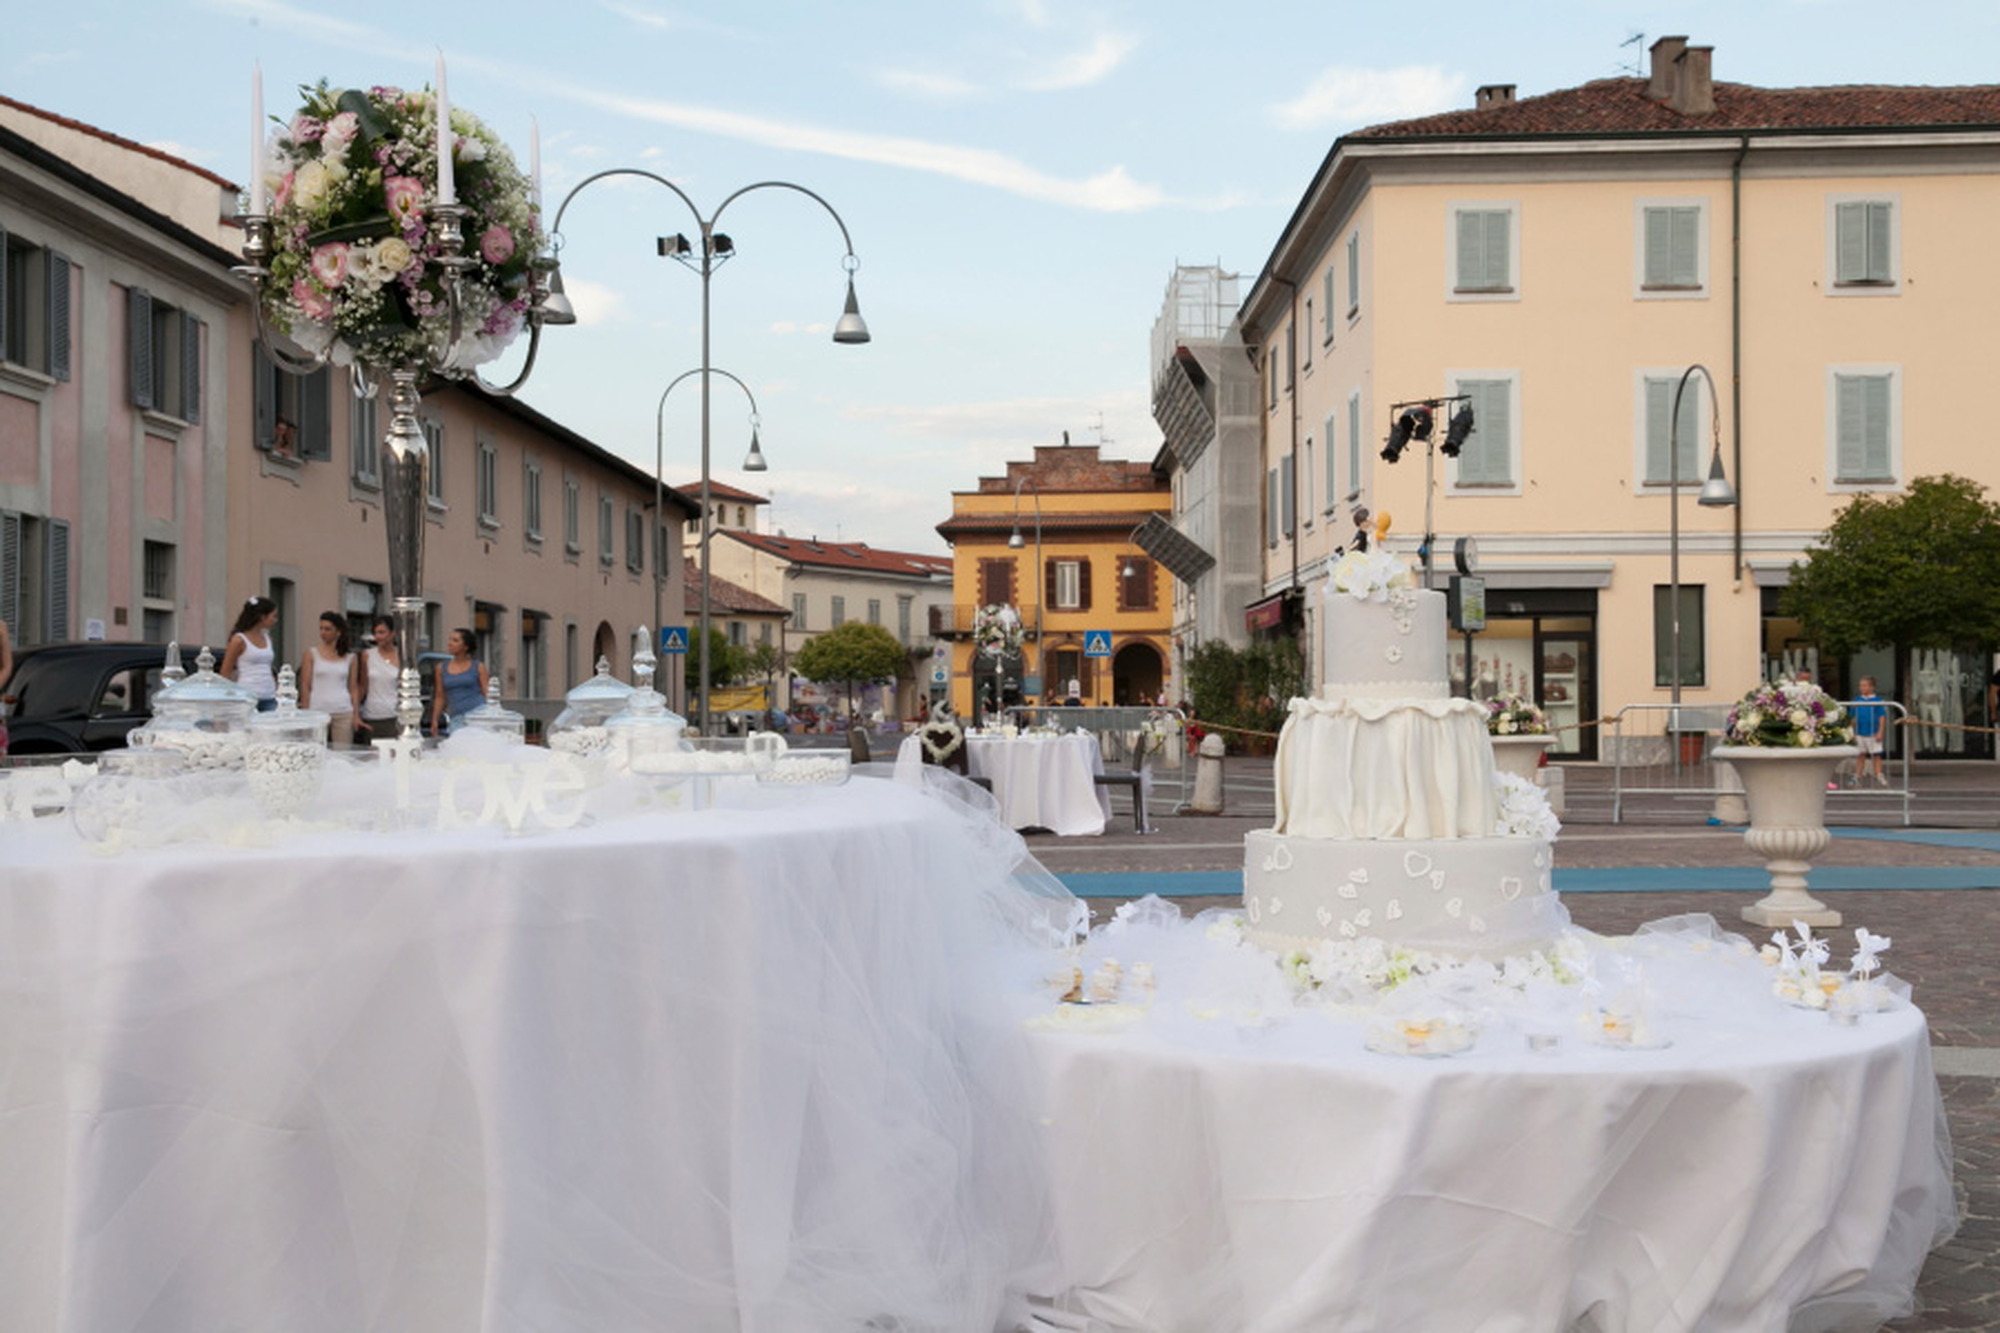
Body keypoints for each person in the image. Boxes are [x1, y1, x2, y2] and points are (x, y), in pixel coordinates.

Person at [298, 612, 361, 746]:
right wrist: (305, 712)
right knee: (316, 751)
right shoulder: (311, 654)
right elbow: (305, 685)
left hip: (343, 710)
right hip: (317, 711)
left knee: (343, 753)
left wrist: (356, 714)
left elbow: (353, 688)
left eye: (327, 629)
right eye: (321, 628)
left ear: (338, 631)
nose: (323, 632)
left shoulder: (350, 657)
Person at [219, 596, 281, 711]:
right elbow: (225, 672)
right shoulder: (239, 640)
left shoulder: (267, 638)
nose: (275, 620)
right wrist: (228, 698)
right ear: (263, 617)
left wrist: (277, 688)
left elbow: (267, 667)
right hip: (247, 697)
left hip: (269, 696)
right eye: (273, 616)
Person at [431, 627, 490, 737]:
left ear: (466, 646)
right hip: (456, 717)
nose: (450, 643)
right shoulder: (441, 668)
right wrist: (435, 719)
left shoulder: (478, 667)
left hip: (478, 714)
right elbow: (440, 696)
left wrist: (493, 715)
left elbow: (486, 692)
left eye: (455, 640)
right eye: (449, 639)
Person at [354, 616, 403, 740]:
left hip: (395, 716)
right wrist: (355, 715)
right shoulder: (367, 655)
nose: (378, 637)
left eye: (382, 632)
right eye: (375, 633)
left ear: (392, 633)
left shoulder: (402, 656)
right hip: (372, 716)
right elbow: (362, 686)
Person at [1851, 676, 1889, 787]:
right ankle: (1857, 775)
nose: (1862, 688)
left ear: (1872, 687)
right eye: (1861, 685)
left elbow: (1881, 717)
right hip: (1860, 732)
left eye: (1865, 685)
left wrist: (1880, 731)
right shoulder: (1856, 701)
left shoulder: (1878, 701)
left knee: (1876, 755)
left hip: (1873, 732)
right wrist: (1852, 732)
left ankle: (1879, 774)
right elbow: (1852, 717)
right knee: (1861, 754)